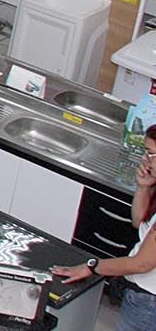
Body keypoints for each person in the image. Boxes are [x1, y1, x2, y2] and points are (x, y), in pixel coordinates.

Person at [52, 125, 156, 331]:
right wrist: (144, 187)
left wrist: (91, 266)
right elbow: (139, 223)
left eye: (151, 153)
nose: (145, 159)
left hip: (148, 302)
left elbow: (142, 264)